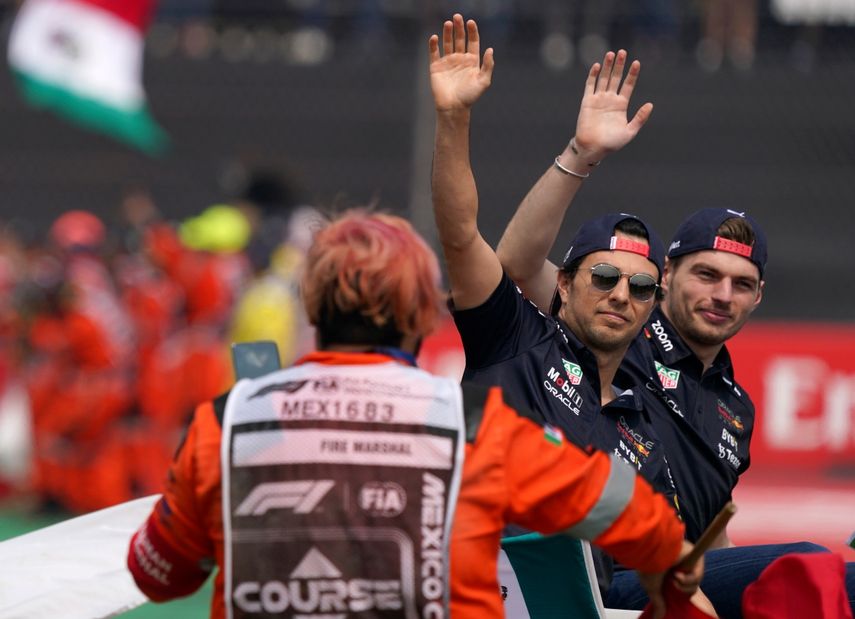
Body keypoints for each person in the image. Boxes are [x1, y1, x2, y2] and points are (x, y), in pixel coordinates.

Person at [126, 209, 700, 618]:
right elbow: (633, 516)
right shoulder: (473, 424)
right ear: (424, 315)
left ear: (312, 306)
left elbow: (157, 574)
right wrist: (670, 565)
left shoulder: (229, 421)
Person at [492, 41, 855, 619]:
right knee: (813, 565)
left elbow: (716, 541)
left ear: (759, 296)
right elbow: (516, 261)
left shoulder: (737, 406)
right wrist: (581, 155)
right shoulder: (617, 331)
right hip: (610, 578)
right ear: (665, 277)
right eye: (706, 274)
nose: (721, 295)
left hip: (679, 583)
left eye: (741, 283)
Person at [429, 13, 716, 616]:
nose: (621, 297)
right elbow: (460, 235)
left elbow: (656, 552)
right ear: (563, 282)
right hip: (478, 595)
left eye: (641, 289)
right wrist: (454, 119)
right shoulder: (514, 336)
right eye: (605, 278)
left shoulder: (645, 421)